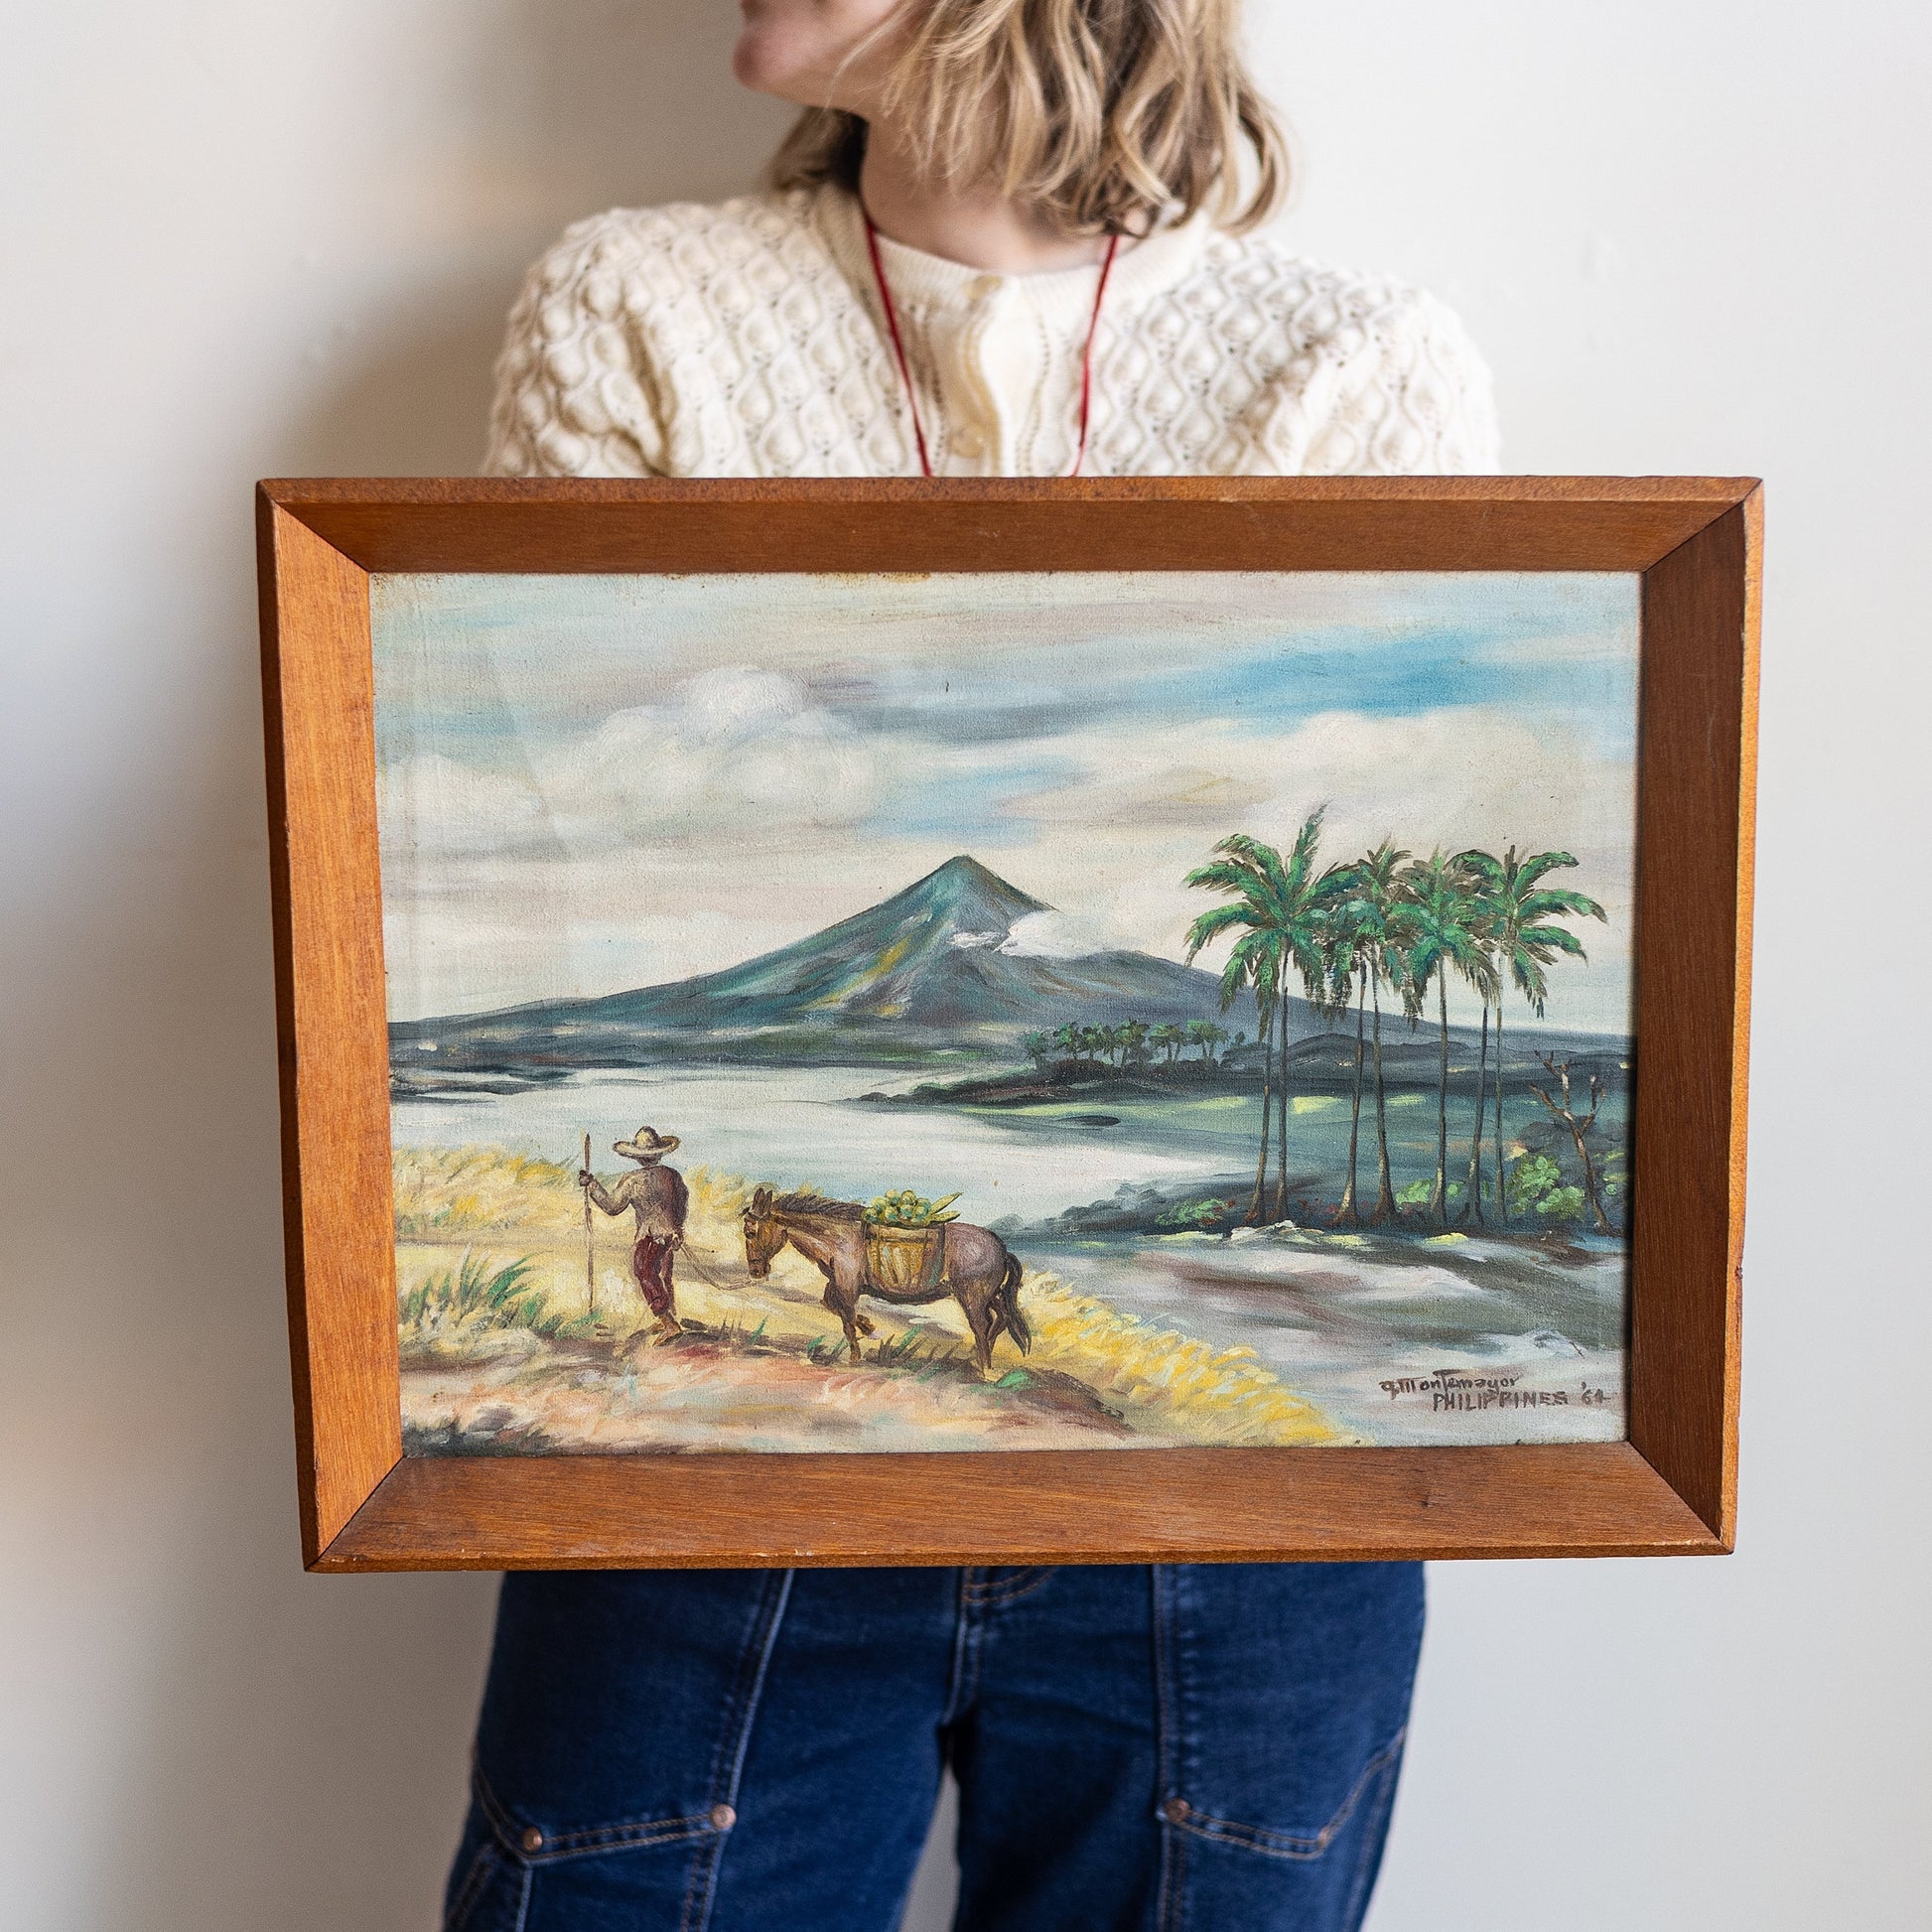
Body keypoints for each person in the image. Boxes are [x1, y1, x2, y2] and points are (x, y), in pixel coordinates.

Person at [447, 5, 1497, 1929]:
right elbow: (560, 883)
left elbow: (1369, 895)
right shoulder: (638, 314)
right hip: (701, 1498)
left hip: (1241, 1515)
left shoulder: (1353, 368)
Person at [580, 1127, 689, 1345]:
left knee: (645, 1272)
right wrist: (677, 1228)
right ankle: (667, 1319)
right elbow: (682, 1201)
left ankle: (669, 1323)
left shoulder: (633, 1180)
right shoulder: (672, 1175)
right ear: (658, 1153)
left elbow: (612, 1206)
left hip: (651, 1236)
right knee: (663, 1275)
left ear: (637, 1157)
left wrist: (592, 1185)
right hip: (670, 1235)